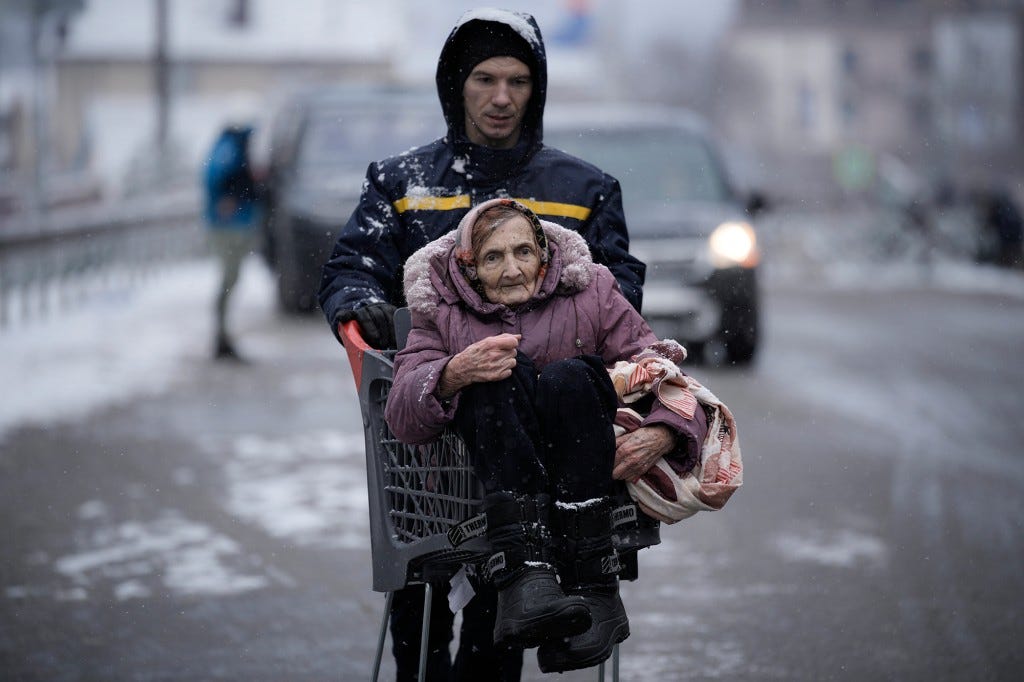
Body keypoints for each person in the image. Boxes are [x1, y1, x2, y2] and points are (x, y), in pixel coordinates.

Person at [317, 8, 646, 681]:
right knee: (420, 604)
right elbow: (350, 267)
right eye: (484, 79)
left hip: (541, 442)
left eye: (518, 81)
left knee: (509, 609)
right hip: (432, 454)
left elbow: (620, 295)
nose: (501, 97)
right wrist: (362, 307)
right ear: (454, 86)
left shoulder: (583, 191)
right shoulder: (402, 184)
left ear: (538, 89)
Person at [384, 198, 709, 673]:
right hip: (476, 498)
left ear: (543, 254)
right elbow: (401, 412)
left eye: (523, 252)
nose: (512, 270)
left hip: (584, 487)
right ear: (470, 268)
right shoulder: (441, 308)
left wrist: (663, 431)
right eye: (493, 257)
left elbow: (660, 369)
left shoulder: (592, 290)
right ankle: (526, 572)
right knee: (495, 378)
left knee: (571, 379)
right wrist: (453, 372)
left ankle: (595, 586)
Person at [202, 123, 261, 361]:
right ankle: (221, 335)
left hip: (235, 223)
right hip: (229, 227)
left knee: (231, 279)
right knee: (229, 278)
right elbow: (218, 179)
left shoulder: (230, 147)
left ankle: (222, 334)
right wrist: (228, 198)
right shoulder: (230, 149)